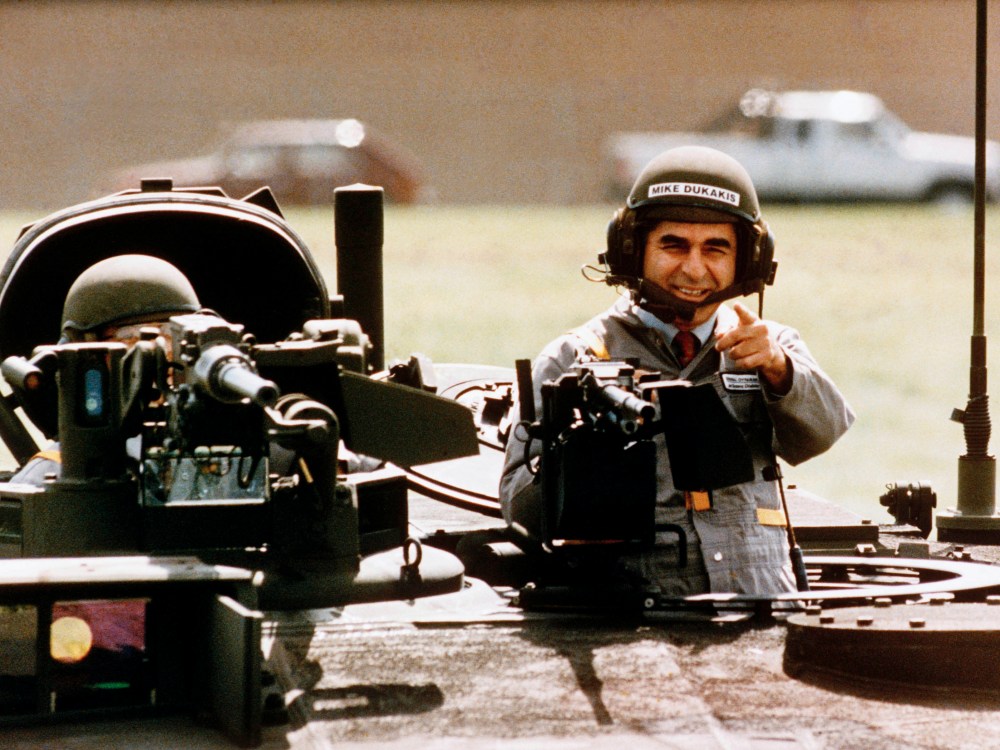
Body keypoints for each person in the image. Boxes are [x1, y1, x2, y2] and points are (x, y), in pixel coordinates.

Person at [499, 146, 855, 597]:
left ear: (748, 260)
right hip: (637, 609)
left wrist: (780, 372)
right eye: (673, 245)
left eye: (715, 249)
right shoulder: (572, 358)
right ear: (631, 249)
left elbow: (825, 432)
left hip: (760, 597)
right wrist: (580, 447)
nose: (694, 268)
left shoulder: (770, 346)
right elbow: (519, 508)